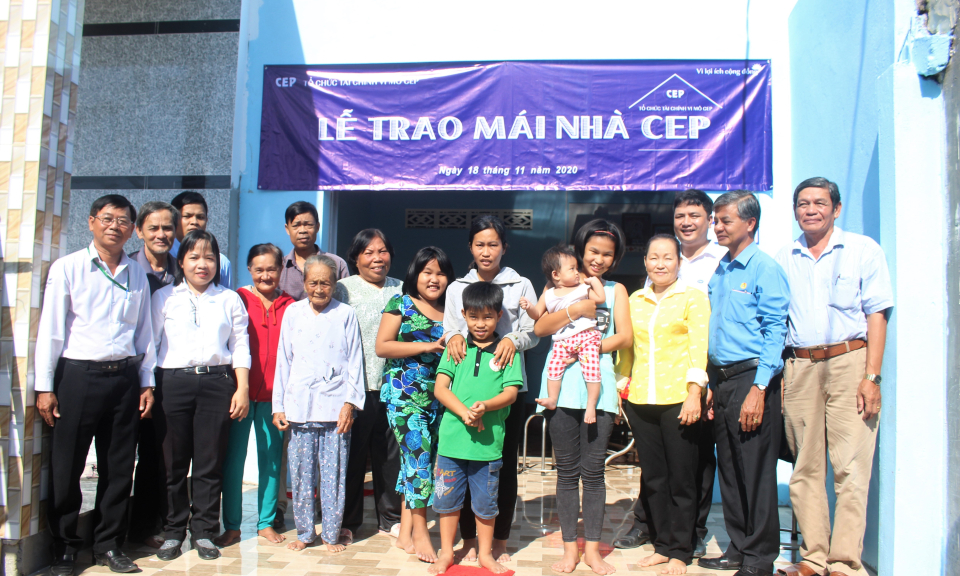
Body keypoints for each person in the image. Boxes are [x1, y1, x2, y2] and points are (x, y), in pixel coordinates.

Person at [774, 178, 891, 576]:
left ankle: (845, 562)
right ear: (795, 211)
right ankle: (813, 557)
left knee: (851, 466)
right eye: (803, 203)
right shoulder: (784, 257)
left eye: (820, 203)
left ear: (836, 209)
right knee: (804, 468)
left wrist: (872, 376)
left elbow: (877, 314)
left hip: (849, 362)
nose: (811, 210)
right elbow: (778, 320)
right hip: (799, 366)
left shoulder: (863, 250)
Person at [36, 195, 157, 576]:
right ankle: (65, 548)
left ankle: (108, 545)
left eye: (123, 221)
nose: (114, 226)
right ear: (91, 222)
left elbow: (144, 333)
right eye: (107, 218)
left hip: (124, 379)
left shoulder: (136, 273)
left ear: (132, 229)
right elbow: (51, 331)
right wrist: (44, 386)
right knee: (67, 465)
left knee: (118, 467)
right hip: (78, 377)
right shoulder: (69, 268)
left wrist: (146, 382)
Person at [617, 189, 727, 557]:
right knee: (654, 478)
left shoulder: (693, 297)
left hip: (680, 400)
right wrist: (620, 387)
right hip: (641, 401)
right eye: (654, 258)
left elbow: (698, 348)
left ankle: (682, 548)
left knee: (683, 478)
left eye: (667, 257)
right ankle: (662, 546)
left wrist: (696, 392)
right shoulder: (635, 300)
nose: (660, 264)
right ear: (645, 261)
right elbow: (628, 349)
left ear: (679, 262)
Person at [532, 219, 632, 575]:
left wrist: (586, 348)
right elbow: (540, 327)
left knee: (593, 473)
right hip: (559, 388)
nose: (599, 259)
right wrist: (574, 312)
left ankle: (592, 551)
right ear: (580, 250)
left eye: (607, 254)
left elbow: (625, 337)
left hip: (597, 388)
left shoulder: (616, 291)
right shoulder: (557, 286)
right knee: (566, 472)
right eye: (593, 251)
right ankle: (569, 550)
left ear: (615, 258)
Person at [697, 191, 790, 576]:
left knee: (755, 472)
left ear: (750, 223)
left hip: (753, 379)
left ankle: (759, 559)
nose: (717, 227)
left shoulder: (764, 268)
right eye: (715, 221)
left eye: (725, 221)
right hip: (723, 381)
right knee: (731, 471)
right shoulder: (722, 269)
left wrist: (759, 388)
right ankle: (738, 548)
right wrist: (710, 384)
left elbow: (775, 331)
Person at [443, 215, 539, 563]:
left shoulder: (521, 284)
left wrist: (513, 339)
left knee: (502, 466)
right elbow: (450, 328)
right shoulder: (457, 287)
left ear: (504, 247)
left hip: (506, 389)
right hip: (464, 391)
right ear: (470, 247)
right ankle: (469, 539)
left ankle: (499, 540)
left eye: (493, 245)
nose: (486, 252)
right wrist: (452, 336)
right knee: (463, 465)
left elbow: (534, 330)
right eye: (480, 245)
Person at [151, 230, 251, 561]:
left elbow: (240, 345)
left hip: (216, 383)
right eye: (194, 257)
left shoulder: (229, 299)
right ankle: (173, 532)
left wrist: (242, 387)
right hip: (172, 383)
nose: (202, 264)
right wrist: (147, 386)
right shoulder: (164, 297)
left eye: (209, 257)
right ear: (181, 262)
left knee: (209, 463)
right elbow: (150, 344)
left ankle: (204, 532)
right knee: (174, 463)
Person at [272, 254, 365, 552]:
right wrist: (278, 405)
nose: (319, 289)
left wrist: (350, 403)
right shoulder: (293, 313)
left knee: (333, 475)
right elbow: (283, 361)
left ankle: (330, 534)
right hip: (299, 408)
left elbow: (355, 362)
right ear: (304, 283)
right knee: (301, 474)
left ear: (335, 284)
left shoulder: (345, 314)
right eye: (313, 282)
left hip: (335, 410)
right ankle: (304, 532)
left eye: (326, 283)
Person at [431, 282, 523, 575]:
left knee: (486, 504)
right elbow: (440, 389)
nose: (480, 324)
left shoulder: (507, 352)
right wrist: (465, 413)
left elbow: (511, 393)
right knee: (447, 502)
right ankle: (447, 552)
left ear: (499, 316)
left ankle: (485, 554)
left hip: (488, 447)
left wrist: (486, 406)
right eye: (473, 317)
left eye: (487, 317)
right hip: (451, 444)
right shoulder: (455, 349)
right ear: (463, 315)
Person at [375, 247, 455, 563]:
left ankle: (404, 534)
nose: (434, 279)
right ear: (415, 274)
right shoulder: (401, 303)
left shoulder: (452, 310)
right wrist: (428, 346)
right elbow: (383, 346)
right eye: (427, 272)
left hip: (439, 398)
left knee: (417, 462)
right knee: (419, 460)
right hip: (404, 397)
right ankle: (421, 533)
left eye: (441, 273)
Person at [215, 244, 295, 547]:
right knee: (233, 461)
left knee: (271, 461)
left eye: (271, 269)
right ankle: (232, 525)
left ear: (280, 270)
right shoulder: (236, 299)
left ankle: (265, 522)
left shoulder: (291, 305)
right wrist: (240, 388)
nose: (265, 275)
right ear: (249, 269)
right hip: (241, 394)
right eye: (259, 269)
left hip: (276, 399)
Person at [335, 229, 404, 540]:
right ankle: (348, 521)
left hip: (392, 386)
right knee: (351, 457)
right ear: (355, 258)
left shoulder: (402, 289)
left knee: (389, 457)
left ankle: (390, 519)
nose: (377, 258)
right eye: (369, 252)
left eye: (383, 251)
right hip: (354, 389)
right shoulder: (342, 289)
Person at [127, 201, 180, 549]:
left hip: (164, 377)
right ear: (139, 231)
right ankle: (116, 529)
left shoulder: (183, 270)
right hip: (126, 374)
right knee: (120, 456)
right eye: (154, 228)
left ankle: (153, 525)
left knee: (158, 453)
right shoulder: (127, 268)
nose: (161, 234)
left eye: (168, 228)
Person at [520, 245, 606, 423]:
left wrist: (594, 282)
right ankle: (552, 399)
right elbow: (537, 315)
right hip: (562, 341)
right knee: (553, 368)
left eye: (577, 268)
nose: (577, 273)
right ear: (556, 275)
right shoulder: (549, 294)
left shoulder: (582, 288)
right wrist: (529, 307)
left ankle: (591, 404)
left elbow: (600, 298)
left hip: (586, 336)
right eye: (572, 269)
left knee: (591, 370)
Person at [279, 201, 350, 300]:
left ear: (317, 227)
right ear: (287, 229)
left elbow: (345, 300)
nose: (303, 230)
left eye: (308, 225)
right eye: (296, 225)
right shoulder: (279, 267)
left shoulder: (337, 264)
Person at [170, 191, 233, 289]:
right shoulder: (165, 256)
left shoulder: (221, 262)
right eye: (187, 216)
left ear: (206, 220)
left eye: (200, 217)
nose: (194, 222)